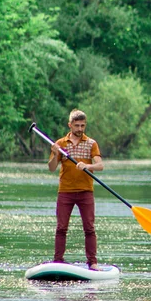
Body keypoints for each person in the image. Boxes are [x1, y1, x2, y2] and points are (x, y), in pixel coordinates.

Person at [48, 109, 104, 270]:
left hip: (86, 191)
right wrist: (53, 154)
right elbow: (52, 168)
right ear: (70, 125)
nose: (80, 129)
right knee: (61, 227)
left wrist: (88, 165)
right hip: (65, 191)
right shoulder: (60, 144)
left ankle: (92, 263)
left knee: (89, 228)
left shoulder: (91, 143)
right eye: (77, 125)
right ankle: (58, 261)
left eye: (83, 125)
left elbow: (100, 165)